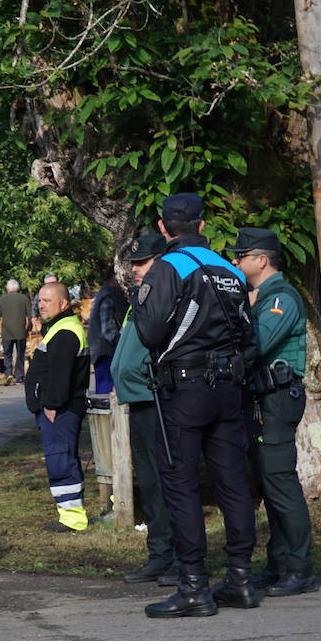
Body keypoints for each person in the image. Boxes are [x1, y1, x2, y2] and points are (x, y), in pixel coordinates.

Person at [135, 192, 259, 619]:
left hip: (184, 388)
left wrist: (139, 301)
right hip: (228, 385)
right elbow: (249, 337)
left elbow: (150, 333)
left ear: (163, 227)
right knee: (231, 482)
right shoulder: (229, 269)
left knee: (180, 482)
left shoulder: (170, 267)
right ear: (203, 225)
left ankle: (193, 585)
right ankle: (241, 578)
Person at [227, 227, 317, 597]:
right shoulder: (263, 296)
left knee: (281, 482)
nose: (235, 262)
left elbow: (258, 342)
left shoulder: (281, 299)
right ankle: (279, 563)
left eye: (241, 256)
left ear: (261, 260)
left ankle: (299, 568)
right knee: (269, 482)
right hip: (265, 399)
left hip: (278, 399)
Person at [110, 233, 177, 585]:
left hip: (159, 401)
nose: (136, 269)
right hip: (138, 401)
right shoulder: (140, 298)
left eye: (142, 262)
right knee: (150, 482)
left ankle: (180, 556)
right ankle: (159, 554)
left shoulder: (165, 295)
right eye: (134, 263)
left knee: (169, 482)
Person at [25, 283, 90, 532]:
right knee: (61, 458)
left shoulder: (65, 331)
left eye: (47, 301)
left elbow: (61, 375)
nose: (41, 305)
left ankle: (73, 518)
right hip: (58, 409)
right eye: (39, 300)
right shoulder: (60, 327)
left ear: (63, 303)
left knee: (60, 459)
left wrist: (51, 404)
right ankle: (70, 514)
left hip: (59, 410)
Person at [87, 266, 130, 394]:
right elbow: (108, 331)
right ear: (114, 278)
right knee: (106, 393)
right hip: (105, 352)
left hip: (105, 351)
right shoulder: (108, 297)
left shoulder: (105, 294)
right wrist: (123, 344)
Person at [0, 279, 31, 385]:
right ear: (17, 288)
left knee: (7, 354)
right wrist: (29, 329)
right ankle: (19, 377)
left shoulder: (2, 299)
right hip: (21, 331)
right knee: (20, 354)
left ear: (8, 288)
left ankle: (8, 373)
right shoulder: (24, 298)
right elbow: (29, 315)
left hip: (7, 332)